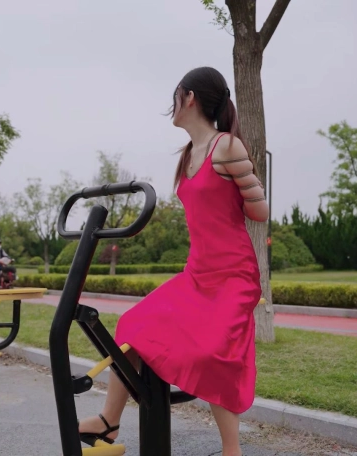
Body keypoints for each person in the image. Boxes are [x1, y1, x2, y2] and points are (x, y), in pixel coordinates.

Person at [77, 66, 268, 456]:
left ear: (189, 96)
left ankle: (232, 450)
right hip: (197, 274)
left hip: (234, 275)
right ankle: (109, 421)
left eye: (175, 96)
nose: (172, 105)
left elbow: (259, 212)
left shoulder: (227, 146)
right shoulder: (187, 154)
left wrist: (247, 186)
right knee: (133, 326)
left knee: (213, 354)